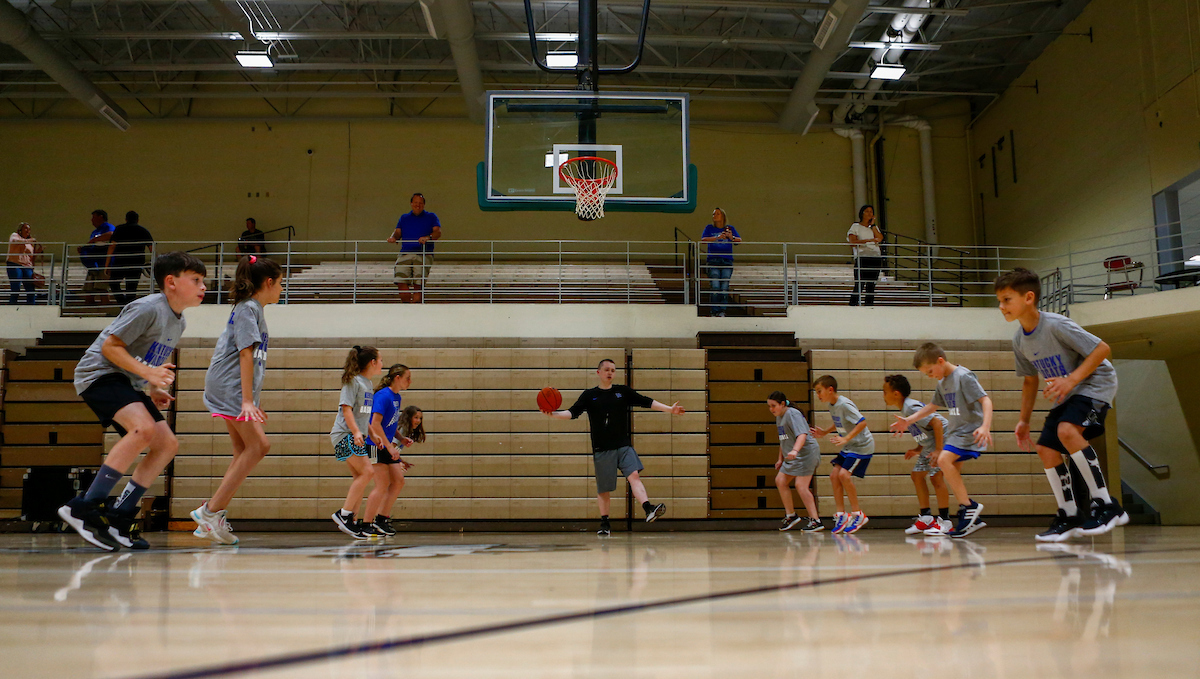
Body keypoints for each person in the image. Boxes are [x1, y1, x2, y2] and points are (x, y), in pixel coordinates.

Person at [58, 252, 208, 551]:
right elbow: (112, 348)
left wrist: (151, 387)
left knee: (167, 444)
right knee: (142, 430)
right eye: (196, 280)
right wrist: (148, 373)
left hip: (126, 381)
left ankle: (120, 516)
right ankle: (84, 506)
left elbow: (142, 359)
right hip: (99, 374)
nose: (203, 286)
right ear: (171, 282)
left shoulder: (179, 323)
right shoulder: (148, 307)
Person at [995, 268, 1128, 541]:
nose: (1001, 306)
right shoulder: (1020, 340)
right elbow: (1030, 381)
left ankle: (1107, 505)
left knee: (1067, 431)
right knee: (1045, 447)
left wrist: (1071, 379)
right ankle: (1069, 514)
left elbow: (1102, 349)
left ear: (1028, 297)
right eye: (1000, 301)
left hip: (1095, 384)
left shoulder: (1056, 325)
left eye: (1007, 299)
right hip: (1070, 393)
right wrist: (1023, 420)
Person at [191, 255, 283, 546]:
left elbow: (252, 361)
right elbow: (245, 354)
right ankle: (209, 512)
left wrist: (253, 399)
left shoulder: (253, 309)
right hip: (228, 386)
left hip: (232, 387)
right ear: (268, 283)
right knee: (260, 445)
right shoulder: (248, 309)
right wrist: (246, 400)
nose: (282, 289)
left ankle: (212, 516)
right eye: (280, 284)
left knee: (243, 449)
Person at [546, 359, 685, 536]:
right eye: (606, 370)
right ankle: (605, 523)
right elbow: (572, 413)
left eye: (613, 370)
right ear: (598, 372)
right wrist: (553, 414)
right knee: (604, 488)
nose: (610, 372)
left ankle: (648, 508)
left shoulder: (623, 391)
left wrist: (669, 409)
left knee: (634, 475)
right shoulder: (589, 395)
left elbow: (646, 401)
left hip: (623, 445)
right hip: (602, 448)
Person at [891, 343, 993, 538]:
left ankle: (969, 507)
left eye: (930, 371)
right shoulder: (942, 383)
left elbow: (986, 400)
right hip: (956, 433)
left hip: (969, 431)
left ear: (940, 361)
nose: (930, 376)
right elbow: (932, 406)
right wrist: (909, 421)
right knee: (952, 476)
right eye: (926, 374)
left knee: (943, 460)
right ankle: (972, 518)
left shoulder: (963, 376)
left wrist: (985, 426)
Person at [883, 374, 951, 535]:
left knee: (936, 478)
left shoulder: (910, 407)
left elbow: (937, 423)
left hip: (944, 440)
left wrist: (939, 450)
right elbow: (926, 431)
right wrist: (917, 449)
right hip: (931, 444)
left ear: (896, 393)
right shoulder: (905, 409)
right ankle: (927, 518)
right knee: (917, 475)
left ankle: (946, 521)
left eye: (885, 391)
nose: (883, 395)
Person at [330, 345, 384, 539]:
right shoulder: (352, 382)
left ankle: (353, 521)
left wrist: (371, 433)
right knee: (368, 472)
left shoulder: (368, 384)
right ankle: (343, 515)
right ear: (372, 362)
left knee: (360, 477)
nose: (382, 364)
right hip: (344, 434)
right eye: (380, 360)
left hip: (355, 434)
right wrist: (355, 432)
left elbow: (362, 415)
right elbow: (346, 409)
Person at [810, 375, 874, 534]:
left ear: (830, 389)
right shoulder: (833, 405)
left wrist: (845, 438)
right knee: (834, 476)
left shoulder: (844, 404)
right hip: (850, 446)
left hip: (861, 446)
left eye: (819, 391)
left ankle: (858, 514)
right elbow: (841, 422)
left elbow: (862, 422)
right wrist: (825, 431)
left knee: (844, 475)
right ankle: (842, 515)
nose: (818, 395)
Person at [362, 365, 417, 537]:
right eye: (407, 377)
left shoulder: (396, 397)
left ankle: (380, 519)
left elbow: (390, 424)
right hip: (374, 445)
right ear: (397, 377)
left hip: (386, 445)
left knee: (398, 481)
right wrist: (390, 446)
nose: (410, 381)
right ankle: (365, 523)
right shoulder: (383, 396)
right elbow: (375, 424)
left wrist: (400, 439)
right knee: (382, 484)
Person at [768, 391, 822, 532]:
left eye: (774, 405)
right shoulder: (779, 417)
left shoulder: (793, 414)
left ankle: (816, 521)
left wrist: (795, 451)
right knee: (780, 480)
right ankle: (791, 516)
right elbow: (784, 439)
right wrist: (780, 458)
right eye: (769, 406)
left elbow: (802, 435)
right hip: (792, 455)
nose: (771, 409)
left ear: (782, 404)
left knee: (801, 486)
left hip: (806, 453)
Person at [387, 193, 441, 303]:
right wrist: (393, 238)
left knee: (418, 284)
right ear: (411, 204)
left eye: (420, 203)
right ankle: (407, 307)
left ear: (424, 205)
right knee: (400, 280)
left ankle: (416, 308)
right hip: (405, 253)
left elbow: (437, 232)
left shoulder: (431, 217)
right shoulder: (404, 218)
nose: (418, 205)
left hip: (424, 254)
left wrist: (428, 237)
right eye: (416, 203)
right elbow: (397, 232)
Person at [699, 207, 741, 317]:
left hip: (726, 260)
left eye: (717, 214)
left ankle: (722, 310)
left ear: (722, 216)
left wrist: (730, 237)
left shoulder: (730, 228)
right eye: (714, 214)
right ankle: (714, 310)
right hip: (713, 260)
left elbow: (739, 240)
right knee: (715, 286)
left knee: (724, 287)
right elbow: (703, 239)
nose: (715, 216)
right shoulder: (709, 228)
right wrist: (717, 237)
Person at [109, 211, 155, 306]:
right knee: (131, 288)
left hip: (120, 262)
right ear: (137, 220)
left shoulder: (119, 229)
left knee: (113, 283)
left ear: (126, 219)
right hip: (136, 262)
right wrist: (153, 261)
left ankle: (123, 304)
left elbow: (112, 246)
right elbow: (152, 248)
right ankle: (128, 307)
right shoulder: (143, 230)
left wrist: (107, 264)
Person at [847, 204, 884, 306]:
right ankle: (853, 304)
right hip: (863, 257)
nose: (869, 213)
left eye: (871, 212)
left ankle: (869, 305)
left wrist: (872, 226)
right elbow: (853, 241)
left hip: (875, 257)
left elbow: (880, 238)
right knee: (859, 283)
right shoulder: (855, 226)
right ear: (862, 213)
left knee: (871, 284)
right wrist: (869, 240)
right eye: (867, 211)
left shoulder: (874, 228)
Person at [79, 210, 116, 306]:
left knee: (102, 289)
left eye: (94, 217)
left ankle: (105, 312)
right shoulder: (95, 231)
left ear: (100, 217)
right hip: (94, 264)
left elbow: (112, 235)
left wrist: (95, 240)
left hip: (104, 263)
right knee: (88, 290)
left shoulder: (108, 227)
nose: (92, 220)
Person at [7, 222, 42, 305]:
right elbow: (14, 241)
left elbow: (31, 257)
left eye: (29, 229)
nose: (28, 231)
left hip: (27, 266)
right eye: (26, 228)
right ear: (20, 230)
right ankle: (12, 306)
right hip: (15, 264)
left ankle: (31, 306)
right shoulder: (15, 235)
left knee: (31, 289)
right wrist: (29, 240)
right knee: (16, 288)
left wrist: (37, 252)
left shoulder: (30, 243)